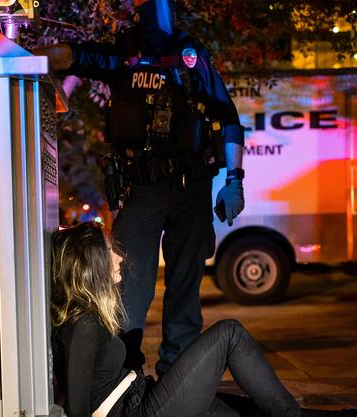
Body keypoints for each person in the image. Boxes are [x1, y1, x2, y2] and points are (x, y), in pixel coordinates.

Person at [50, 222, 357, 417]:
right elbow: (77, 401)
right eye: (110, 251)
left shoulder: (90, 316)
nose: (120, 257)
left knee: (261, 412)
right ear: (90, 264)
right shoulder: (82, 323)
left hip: (147, 404)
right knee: (228, 333)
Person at [36, 0, 245, 376]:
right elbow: (70, 57)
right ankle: (123, 380)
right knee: (127, 293)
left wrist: (234, 180)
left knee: (185, 292)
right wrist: (15, 54)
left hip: (191, 187)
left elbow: (228, 119)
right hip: (141, 188)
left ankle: (176, 381)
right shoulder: (123, 54)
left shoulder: (190, 53)